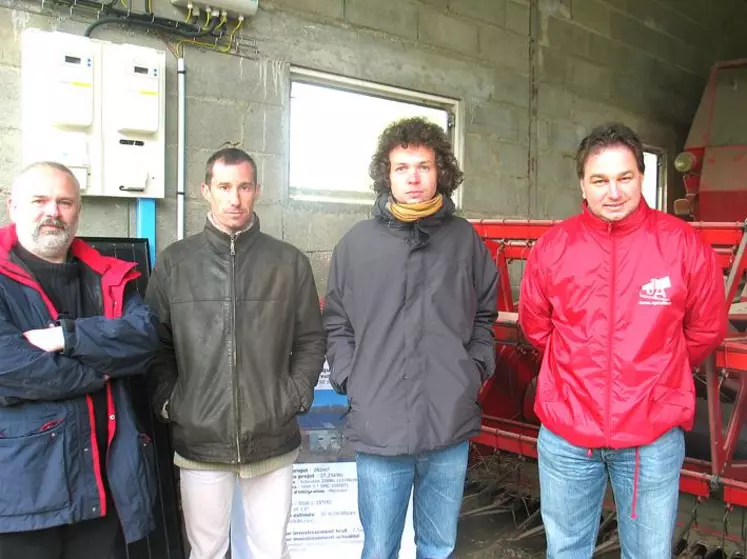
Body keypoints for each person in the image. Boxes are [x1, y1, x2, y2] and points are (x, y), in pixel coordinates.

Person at [519, 123, 727, 558]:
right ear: (583, 184)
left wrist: (658, 373)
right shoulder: (554, 247)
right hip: (567, 435)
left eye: (624, 177)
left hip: (649, 439)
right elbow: (536, 326)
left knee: (649, 554)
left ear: (641, 177)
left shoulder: (683, 246)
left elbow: (706, 329)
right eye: (600, 180)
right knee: (567, 550)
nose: (613, 192)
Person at [322, 117, 499, 559]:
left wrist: (472, 371)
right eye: (403, 168)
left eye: (423, 165)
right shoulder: (356, 244)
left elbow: (485, 314)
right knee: (380, 547)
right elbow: (336, 320)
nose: (414, 177)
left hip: (448, 424)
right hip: (381, 425)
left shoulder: (465, 241)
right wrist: (350, 377)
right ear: (387, 174)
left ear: (441, 171)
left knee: (437, 547)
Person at [145, 147, 326, 559]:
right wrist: (172, 402)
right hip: (200, 439)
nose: (234, 198)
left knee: (268, 550)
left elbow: (312, 339)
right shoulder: (176, 263)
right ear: (205, 190)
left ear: (257, 190)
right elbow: (156, 344)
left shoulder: (289, 263)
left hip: (271, 436)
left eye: (244, 187)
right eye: (224, 187)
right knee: (207, 550)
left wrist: (294, 394)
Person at [0, 161, 160, 558]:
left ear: (78, 211)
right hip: (24, 495)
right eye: (39, 200)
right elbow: (10, 366)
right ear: (13, 208)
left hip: (103, 488)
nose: (53, 211)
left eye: (64, 202)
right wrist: (102, 370)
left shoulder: (109, 276)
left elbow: (143, 340)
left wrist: (64, 337)